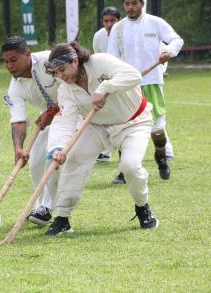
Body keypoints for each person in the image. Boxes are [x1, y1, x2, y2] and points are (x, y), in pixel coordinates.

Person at [43, 42, 159, 236]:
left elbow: (134, 76)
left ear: (75, 61)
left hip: (133, 122)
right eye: (56, 73)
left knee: (129, 166)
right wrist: (57, 148)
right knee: (74, 160)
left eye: (63, 70)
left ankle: (142, 207)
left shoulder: (101, 62)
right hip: (96, 127)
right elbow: (65, 120)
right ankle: (62, 219)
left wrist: (104, 88)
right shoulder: (66, 89)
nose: (61, 76)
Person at [107, 0, 184, 180]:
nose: (130, 7)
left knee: (157, 128)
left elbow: (177, 40)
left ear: (142, 4)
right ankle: (124, 171)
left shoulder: (155, 22)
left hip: (151, 82)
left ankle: (161, 158)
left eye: (134, 3)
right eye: (126, 4)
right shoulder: (118, 29)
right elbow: (111, 57)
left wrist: (169, 52)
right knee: (124, 126)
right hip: (127, 85)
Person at [2, 36, 62, 226]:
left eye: (13, 60)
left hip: (76, 111)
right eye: (5, 62)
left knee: (54, 155)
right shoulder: (14, 87)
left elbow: (72, 84)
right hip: (50, 117)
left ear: (28, 55)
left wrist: (52, 111)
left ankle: (49, 207)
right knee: (36, 160)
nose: (10, 66)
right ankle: (40, 206)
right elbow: (18, 120)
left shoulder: (49, 61)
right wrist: (19, 148)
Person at [92, 6, 121, 164]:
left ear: (119, 20)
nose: (109, 24)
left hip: (125, 80)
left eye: (113, 20)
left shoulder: (126, 33)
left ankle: (165, 148)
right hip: (107, 80)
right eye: (106, 21)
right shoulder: (98, 36)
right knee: (106, 114)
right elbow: (97, 59)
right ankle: (105, 151)